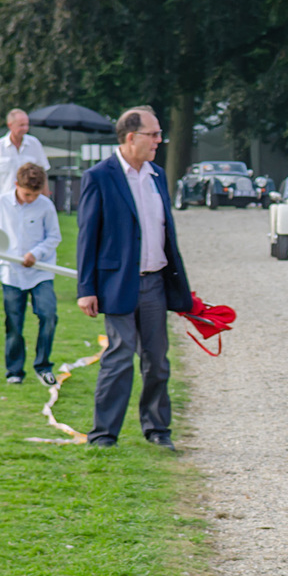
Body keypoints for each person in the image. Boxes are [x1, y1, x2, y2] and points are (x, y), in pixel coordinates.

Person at [76, 106, 192, 451]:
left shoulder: (156, 175)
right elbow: (87, 236)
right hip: (117, 283)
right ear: (131, 137)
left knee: (157, 360)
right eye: (153, 134)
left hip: (155, 283)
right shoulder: (99, 176)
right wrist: (86, 289)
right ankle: (104, 434)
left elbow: (164, 231)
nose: (159, 140)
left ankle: (157, 429)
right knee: (120, 356)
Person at [0, 162, 60, 385]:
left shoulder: (45, 206)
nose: (31, 199)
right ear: (16, 185)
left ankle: (43, 366)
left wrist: (37, 253)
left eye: (35, 194)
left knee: (48, 314)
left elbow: (54, 237)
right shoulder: (1, 203)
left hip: (40, 272)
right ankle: (14, 370)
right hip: (11, 273)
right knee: (14, 322)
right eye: (27, 194)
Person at [0, 109, 50, 223]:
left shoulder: (34, 144)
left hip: (30, 204)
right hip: (4, 205)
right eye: (21, 125)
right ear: (10, 125)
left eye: (27, 125)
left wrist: (46, 202)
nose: (25, 128)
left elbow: (43, 176)